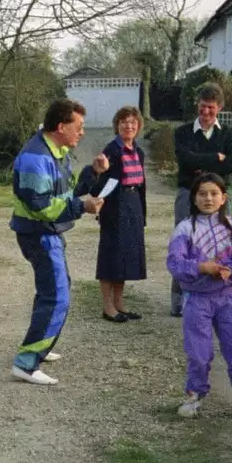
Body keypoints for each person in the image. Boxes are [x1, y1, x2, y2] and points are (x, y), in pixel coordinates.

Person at [8, 98, 106, 385]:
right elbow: (41, 206)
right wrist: (83, 207)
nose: (82, 132)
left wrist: (93, 174)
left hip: (48, 232)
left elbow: (67, 192)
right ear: (61, 126)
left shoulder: (57, 150)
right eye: (79, 126)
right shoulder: (36, 157)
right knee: (57, 295)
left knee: (51, 290)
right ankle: (27, 363)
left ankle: (40, 344)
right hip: (39, 233)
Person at [166, 173, 232, 421]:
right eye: (202, 194)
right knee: (199, 352)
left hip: (227, 297)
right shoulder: (185, 229)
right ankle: (194, 396)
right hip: (196, 298)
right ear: (194, 198)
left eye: (214, 193)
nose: (208, 198)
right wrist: (202, 268)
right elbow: (176, 263)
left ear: (224, 198)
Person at [172, 83, 232, 317]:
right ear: (197, 106)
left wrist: (201, 163)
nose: (206, 113)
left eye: (211, 108)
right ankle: (180, 299)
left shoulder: (229, 134)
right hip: (188, 194)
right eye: (202, 107)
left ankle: (220, 296)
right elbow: (185, 161)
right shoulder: (183, 132)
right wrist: (216, 158)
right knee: (185, 243)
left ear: (219, 107)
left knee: (222, 243)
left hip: (220, 197)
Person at [95, 106, 149, 322]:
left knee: (125, 256)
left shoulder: (138, 151)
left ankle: (119, 303)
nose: (129, 126)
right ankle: (108, 307)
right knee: (111, 256)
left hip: (133, 204)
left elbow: (143, 186)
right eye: (124, 122)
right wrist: (102, 208)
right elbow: (102, 184)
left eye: (133, 122)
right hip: (115, 206)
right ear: (117, 125)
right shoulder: (111, 151)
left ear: (138, 126)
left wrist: (142, 213)